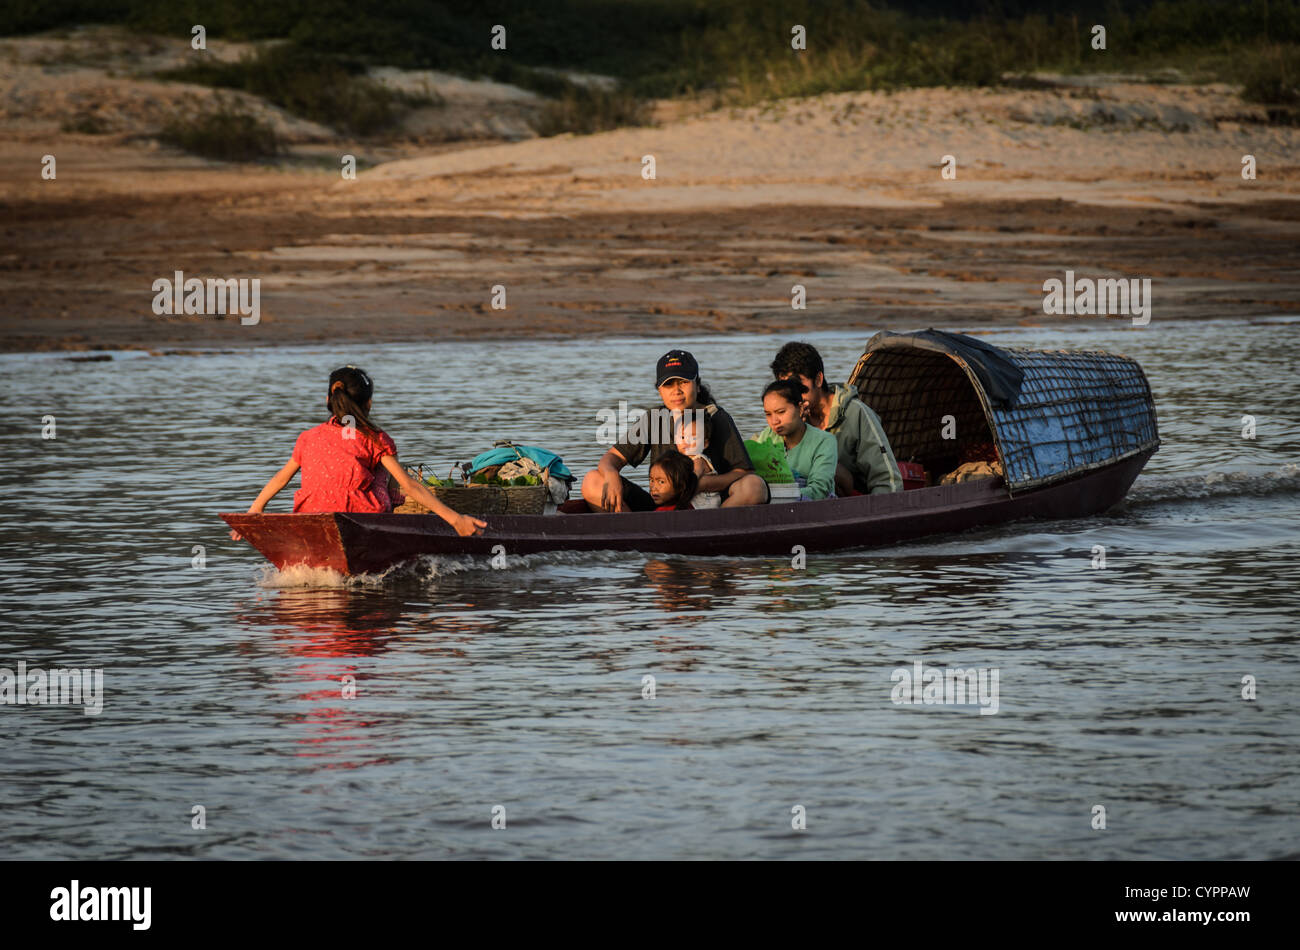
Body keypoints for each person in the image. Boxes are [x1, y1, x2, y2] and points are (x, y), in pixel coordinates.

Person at [231, 365, 486, 539]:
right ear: (369, 404)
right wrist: (455, 520)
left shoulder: (308, 438)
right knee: (387, 475)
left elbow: (281, 478)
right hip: (361, 515)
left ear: (328, 400)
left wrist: (255, 511)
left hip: (310, 517)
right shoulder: (375, 439)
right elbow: (410, 486)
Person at [582, 349, 769, 511]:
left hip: (707, 508)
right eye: (668, 384)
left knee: (755, 486)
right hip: (661, 507)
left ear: (697, 384)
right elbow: (611, 458)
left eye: (683, 382)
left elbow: (744, 472)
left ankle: (708, 529)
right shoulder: (655, 417)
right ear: (659, 390)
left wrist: (701, 485)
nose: (676, 391)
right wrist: (612, 474)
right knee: (592, 480)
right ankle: (635, 533)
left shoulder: (715, 417)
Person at [770, 341, 903, 496]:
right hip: (807, 497)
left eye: (797, 385)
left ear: (818, 380)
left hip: (853, 500)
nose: (793, 396)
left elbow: (887, 479)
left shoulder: (856, 413)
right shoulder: (789, 417)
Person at [753, 378, 839, 500]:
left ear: (800, 408)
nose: (774, 421)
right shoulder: (767, 435)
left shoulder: (824, 441)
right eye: (768, 414)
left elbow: (819, 491)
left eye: (781, 412)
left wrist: (771, 495)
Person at [673, 414, 722, 509]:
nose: (686, 441)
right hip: (691, 504)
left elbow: (693, 476)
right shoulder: (682, 461)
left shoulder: (698, 460)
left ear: (705, 444)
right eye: (682, 437)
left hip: (705, 507)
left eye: (693, 438)